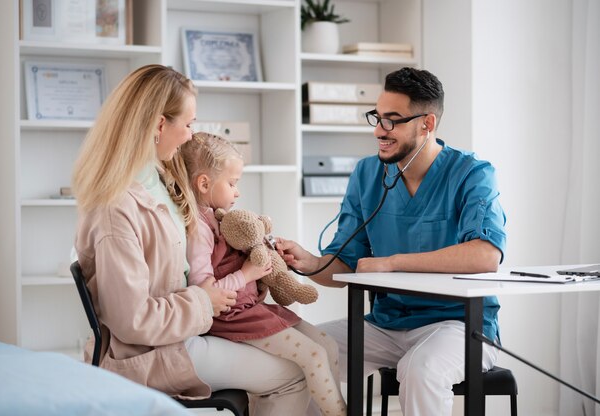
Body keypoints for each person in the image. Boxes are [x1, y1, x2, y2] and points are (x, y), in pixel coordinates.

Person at [71, 64, 310, 415]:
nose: (190, 136)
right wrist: (204, 301)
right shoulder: (115, 209)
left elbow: (195, 258)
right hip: (154, 351)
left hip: (185, 331)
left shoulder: (161, 178)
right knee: (296, 374)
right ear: (158, 124)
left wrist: (243, 275)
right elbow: (132, 320)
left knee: (298, 349)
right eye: (188, 124)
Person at [277, 67, 507, 416]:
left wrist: (392, 261)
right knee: (299, 353)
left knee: (422, 369)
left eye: (392, 121)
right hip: (387, 323)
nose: (378, 131)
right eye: (377, 117)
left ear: (427, 124)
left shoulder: (472, 174)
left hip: (458, 326)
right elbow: (346, 264)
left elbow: (485, 255)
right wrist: (308, 263)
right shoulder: (367, 173)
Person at [162, 132, 347, 416]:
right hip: (233, 318)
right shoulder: (198, 229)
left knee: (328, 346)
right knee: (314, 356)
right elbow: (206, 293)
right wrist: (247, 273)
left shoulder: (217, 216)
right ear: (204, 183)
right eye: (233, 184)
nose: (237, 192)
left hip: (250, 309)